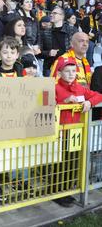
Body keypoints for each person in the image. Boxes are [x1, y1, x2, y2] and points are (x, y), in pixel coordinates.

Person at [54, 58, 102, 207]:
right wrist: (65, 102)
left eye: (73, 71)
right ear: (60, 72)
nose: (71, 74)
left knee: (74, 162)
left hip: (77, 132)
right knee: (61, 164)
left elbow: (98, 95)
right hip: (61, 132)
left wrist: (89, 102)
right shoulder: (54, 87)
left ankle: (67, 191)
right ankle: (57, 192)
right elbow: (48, 105)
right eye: (67, 71)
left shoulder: (80, 88)